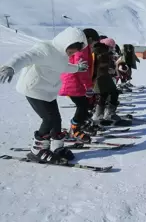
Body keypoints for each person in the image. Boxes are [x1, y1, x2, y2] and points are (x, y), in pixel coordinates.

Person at [0, 27, 89, 163]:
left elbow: (64, 67)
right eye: (71, 50)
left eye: (75, 51)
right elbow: (25, 57)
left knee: (56, 118)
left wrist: (78, 68)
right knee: (48, 118)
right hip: (33, 89)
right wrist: (10, 67)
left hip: (48, 91)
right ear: (66, 42)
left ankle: (57, 147)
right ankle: (37, 150)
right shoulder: (45, 49)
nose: (72, 53)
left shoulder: (63, 56)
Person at [58, 28, 99, 142]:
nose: (93, 46)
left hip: (73, 80)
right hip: (73, 81)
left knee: (84, 105)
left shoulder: (82, 47)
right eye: (94, 43)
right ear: (90, 39)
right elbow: (82, 69)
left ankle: (79, 125)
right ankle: (75, 130)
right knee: (83, 105)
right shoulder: (83, 48)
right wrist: (88, 86)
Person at [91, 37, 121, 122]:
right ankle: (102, 115)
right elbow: (97, 64)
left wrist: (108, 69)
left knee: (109, 94)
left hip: (104, 76)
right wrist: (107, 69)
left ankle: (104, 114)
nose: (112, 49)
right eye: (111, 47)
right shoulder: (100, 51)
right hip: (99, 77)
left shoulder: (103, 51)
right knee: (104, 95)